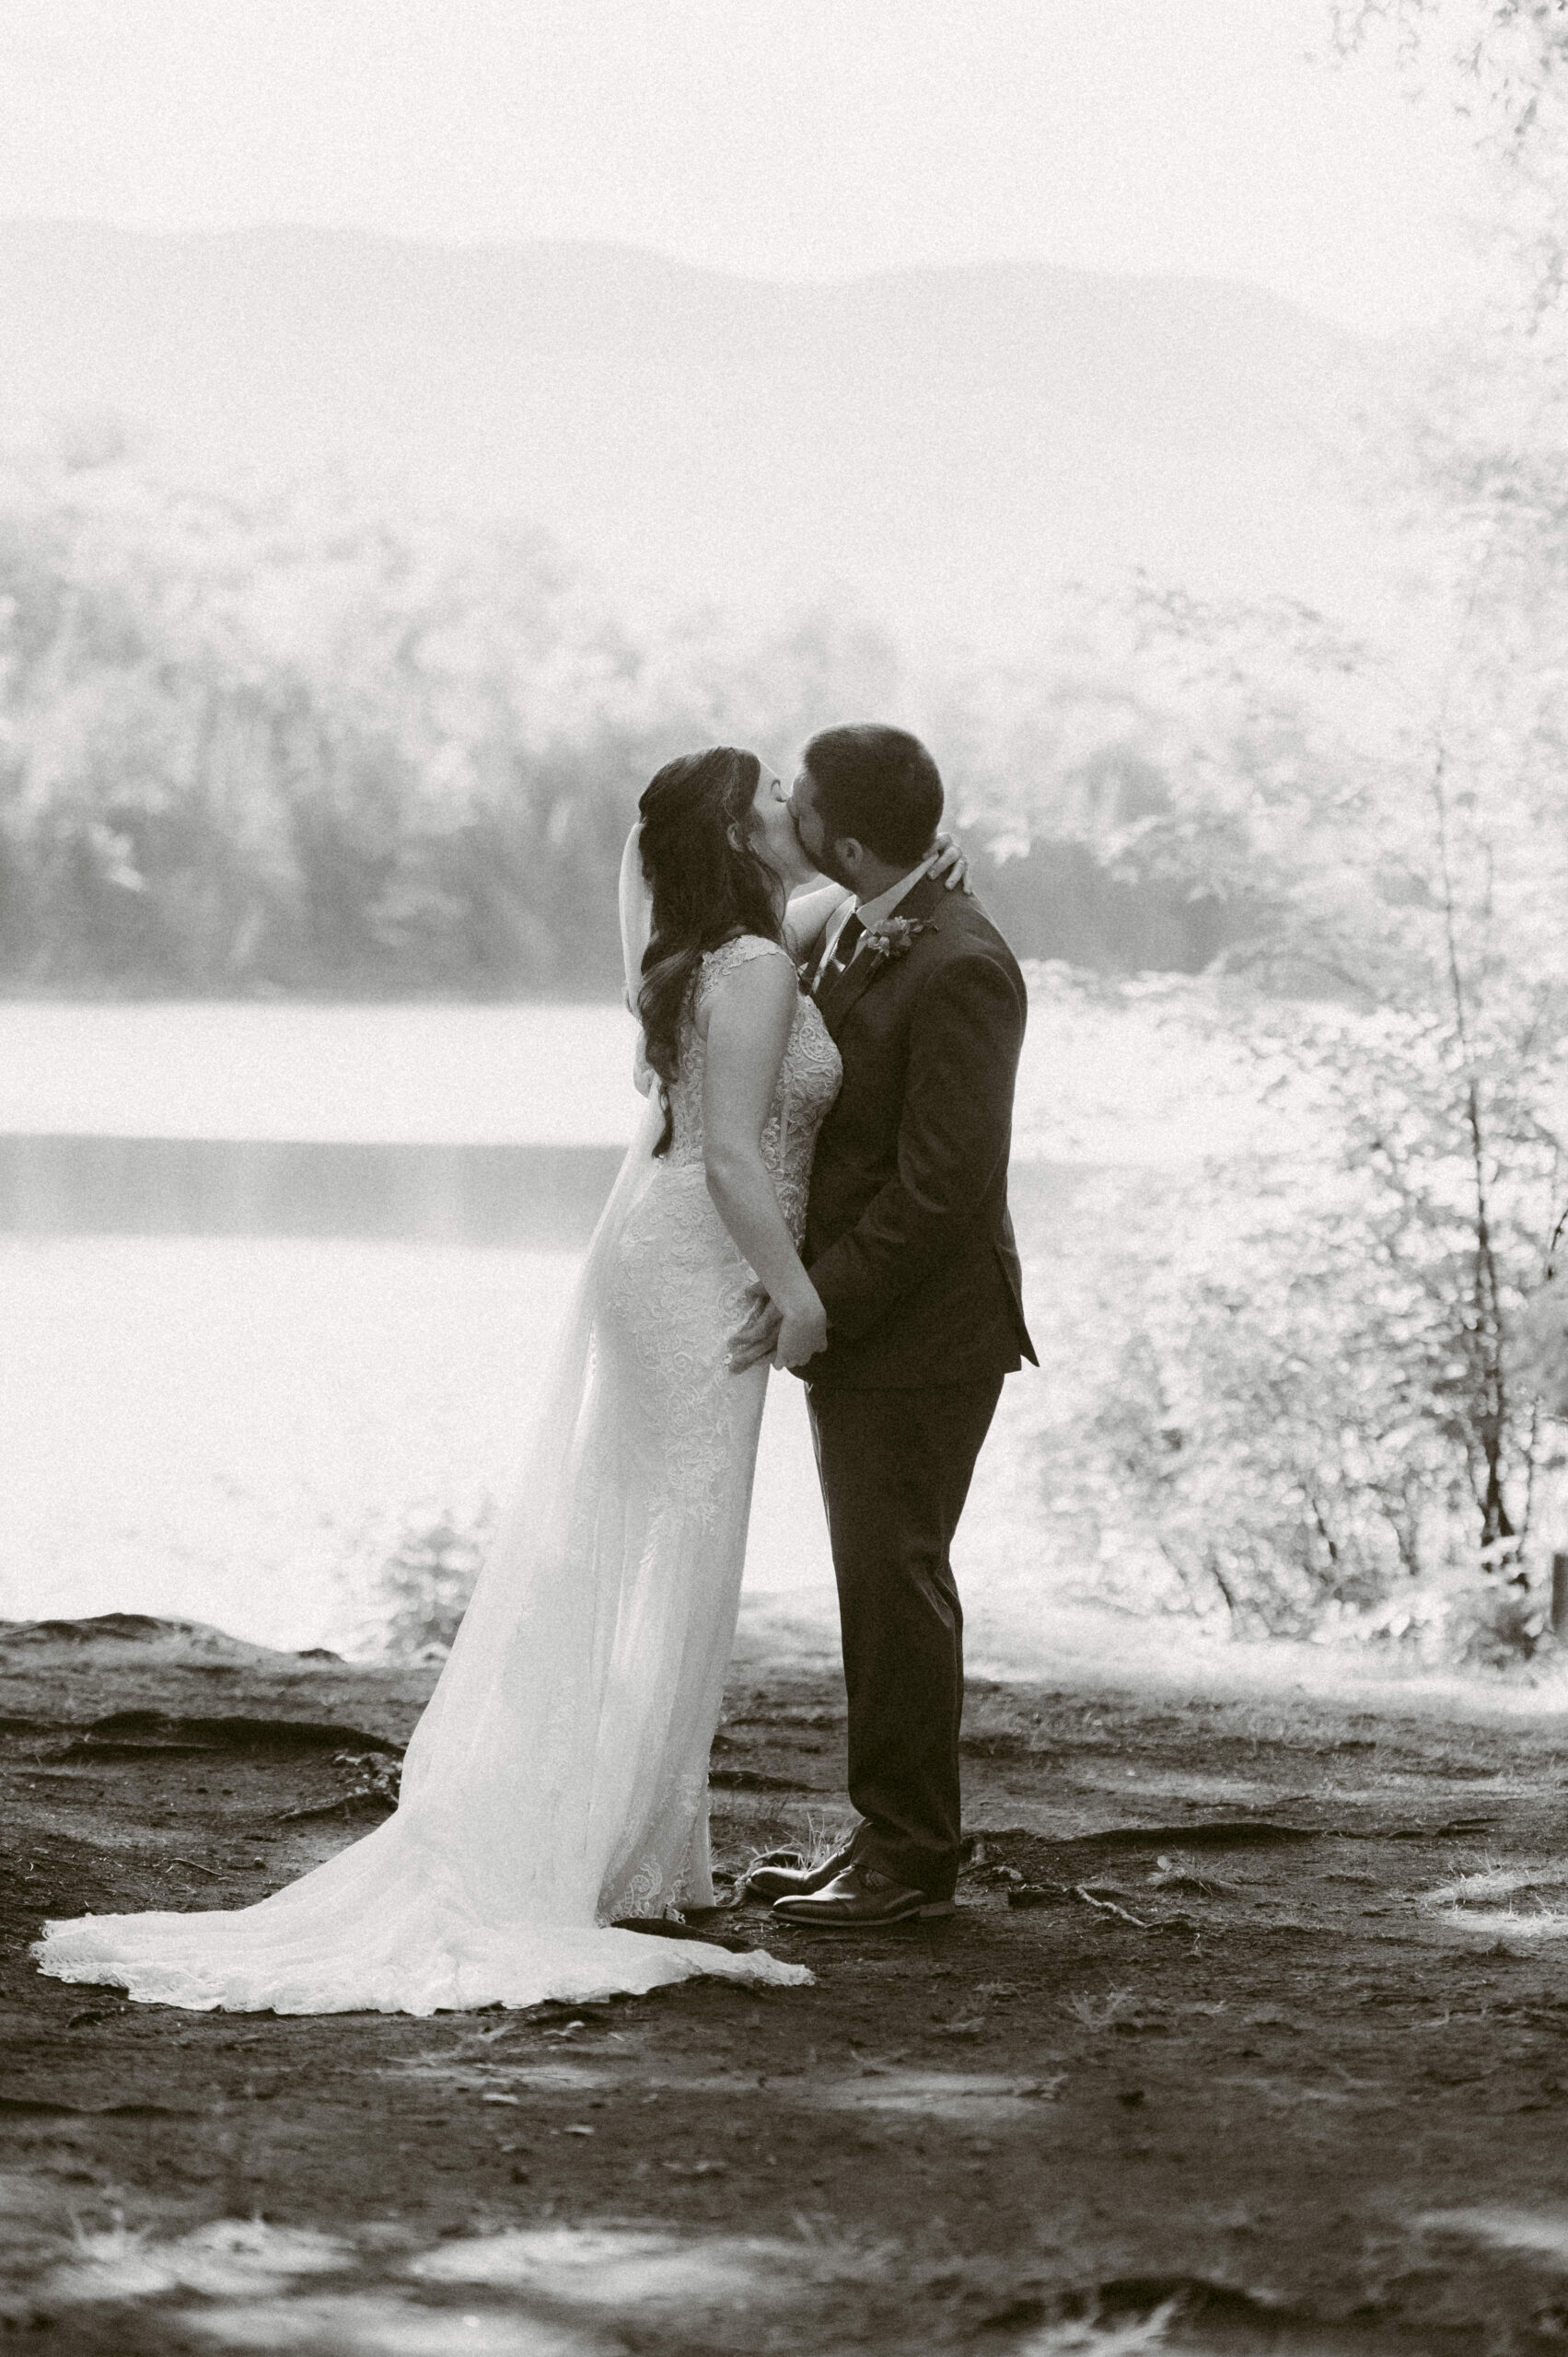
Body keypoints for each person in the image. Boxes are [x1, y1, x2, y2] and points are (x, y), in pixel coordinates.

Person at [33, 747, 857, 2015]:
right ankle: (628, 1854)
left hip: (678, 1252)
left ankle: (655, 1846)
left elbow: (822, 916)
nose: (791, 820)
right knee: (677, 1543)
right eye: (768, 810)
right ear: (739, 843)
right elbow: (742, 1163)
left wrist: (896, 880)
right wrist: (802, 1297)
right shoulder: (746, 968)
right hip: (703, 1264)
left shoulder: (733, 953)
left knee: (664, 1544)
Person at [734, 724, 1036, 1930]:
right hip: (872, 1327)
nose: (788, 814)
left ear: (846, 836)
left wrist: (821, 1301)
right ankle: (885, 1839)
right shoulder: (847, 919)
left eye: (797, 802)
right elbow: (784, 928)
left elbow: (941, 1189)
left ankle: (912, 1858)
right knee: (877, 1579)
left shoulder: (963, 964)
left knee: (894, 1579)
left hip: (927, 1331)